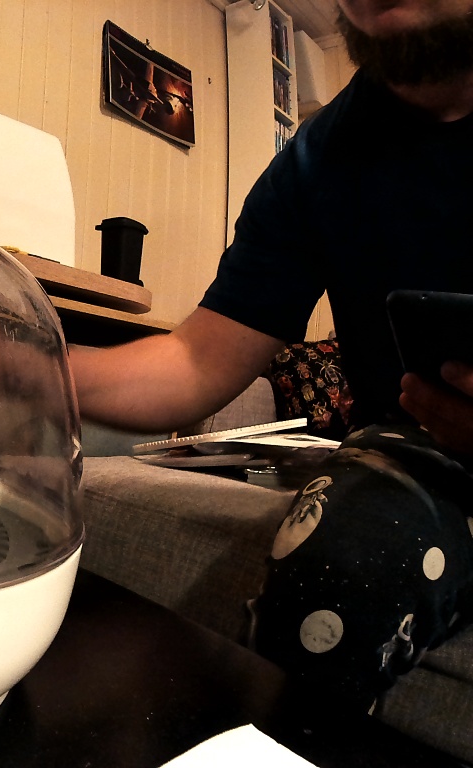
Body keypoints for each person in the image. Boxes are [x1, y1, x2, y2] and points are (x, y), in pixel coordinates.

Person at [70, 0, 473, 711]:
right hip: (419, 457)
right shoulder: (320, 160)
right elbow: (198, 359)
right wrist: (26, 362)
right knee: (343, 565)